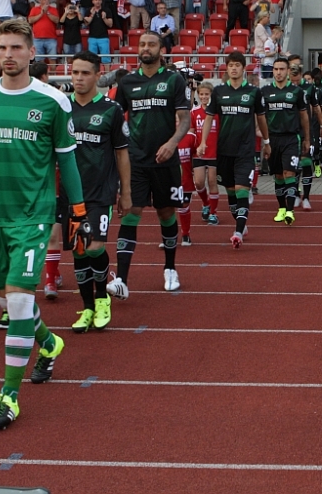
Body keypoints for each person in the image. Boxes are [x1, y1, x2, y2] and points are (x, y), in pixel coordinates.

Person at [0, 18, 89, 431]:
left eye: (16, 47)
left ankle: (9, 395)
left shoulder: (53, 101)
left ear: (32, 52)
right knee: (6, 300)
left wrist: (77, 211)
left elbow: (67, 160)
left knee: (20, 301)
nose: (8, 54)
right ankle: (49, 342)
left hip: (33, 215)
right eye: (2, 47)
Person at [106, 33, 190, 300]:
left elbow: (185, 119)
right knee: (131, 213)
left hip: (165, 161)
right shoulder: (127, 82)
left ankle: (170, 268)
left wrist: (172, 143)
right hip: (135, 161)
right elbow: (114, 119)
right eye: (142, 44)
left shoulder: (174, 80)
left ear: (161, 49)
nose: (145, 48)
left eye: (151, 44)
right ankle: (121, 279)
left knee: (166, 213)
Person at [65, 51, 131, 333]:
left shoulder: (111, 109)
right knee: (78, 250)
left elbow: (122, 153)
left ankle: (103, 297)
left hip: (100, 192)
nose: (79, 78)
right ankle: (87, 306)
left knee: (94, 247)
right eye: (75, 72)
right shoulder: (61, 107)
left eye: (85, 73)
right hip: (69, 193)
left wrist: (125, 192)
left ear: (97, 75)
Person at [199, 51, 269, 249]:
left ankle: (237, 232)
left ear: (243, 68)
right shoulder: (219, 92)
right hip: (224, 151)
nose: (234, 68)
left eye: (237, 65)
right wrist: (203, 142)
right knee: (230, 192)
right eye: (230, 65)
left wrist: (266, 141)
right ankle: (241, 223)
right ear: (227, 68)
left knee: (241, 190)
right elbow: (209, 118)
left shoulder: (254, 92)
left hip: (245, 151)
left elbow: (261, 118)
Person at [261, 57, 310, 225]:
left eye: (282, 69)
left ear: (288, 71)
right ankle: (282, 208)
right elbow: (260, 117)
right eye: (276, 69)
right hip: (272, 139)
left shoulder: (297, 92)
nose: (278, 72)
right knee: (278, 175)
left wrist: (307, 139)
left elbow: (304, 116)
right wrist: (263, 139)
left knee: (290, 172)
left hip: (291, 138)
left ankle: (290, 211)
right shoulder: (265, 91)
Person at [191, 82, 220, 226]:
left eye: (206, 94)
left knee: (212, 181)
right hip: (199, 152)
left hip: (214, 151)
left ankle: (213, 213)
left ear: (211, 95)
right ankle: (206, 203)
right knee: (198, 182)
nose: (204, 97)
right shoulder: (194, 112)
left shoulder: (217, 112)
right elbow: (191, 131)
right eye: (201, 94)